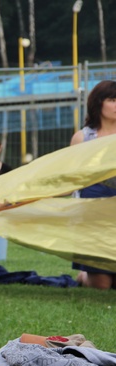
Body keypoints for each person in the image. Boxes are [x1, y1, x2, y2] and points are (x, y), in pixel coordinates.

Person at [69, 79, 116, 290]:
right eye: (113, 100)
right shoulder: (82, 138)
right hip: (92, 219)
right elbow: (69, 180)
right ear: (98, 103)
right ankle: (83, 276)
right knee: (102, 286)